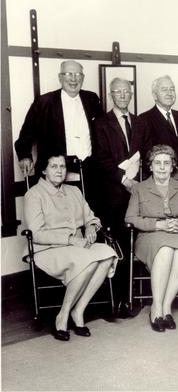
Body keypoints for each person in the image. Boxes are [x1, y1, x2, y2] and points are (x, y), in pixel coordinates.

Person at [23, 155, 117, 341]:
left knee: (107, 254)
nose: (59, 171)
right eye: (53, 166)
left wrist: (91, 226)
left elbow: (91, 217)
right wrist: (70, 239)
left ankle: (78, 310)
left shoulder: (74, 191)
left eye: (62, 167)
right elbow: (36, 233)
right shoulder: (34, 195)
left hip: (78, 246)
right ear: (44, 170)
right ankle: (63, 315)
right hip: (47, 249)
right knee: (88, 261)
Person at [125, 145, 178, 332]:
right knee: (166, 250)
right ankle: (156, 308)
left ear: (172, 166)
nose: (161, 167)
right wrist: (158, 225)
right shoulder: (139, 189)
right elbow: (130, 218)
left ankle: (166, 306)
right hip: (151, 236)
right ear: (150, 166)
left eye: (166, 163)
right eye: (157, 163)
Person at [93, 77, 152, 317]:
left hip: (138, 193)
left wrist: (141, 182)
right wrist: (125, 180)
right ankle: (117, 302)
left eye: (126, 92)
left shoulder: (140, 123)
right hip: (114, 195)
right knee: (118, 248)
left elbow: (147, 153)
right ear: (111, 95)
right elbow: (101, 158)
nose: (123, 95)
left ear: (131, 94)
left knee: (137, 244)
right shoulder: (100, 123)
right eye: (118, 92)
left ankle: (135, 297)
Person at [15, 60, 103, 210]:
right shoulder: (44, 102)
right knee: (58, 214)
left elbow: (102, 130)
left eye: (77, 74)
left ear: (83, 77)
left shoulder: (91, 99)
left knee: (89, 212)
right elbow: (26, 134)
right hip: (57, 170)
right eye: (68, 74)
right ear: (60, 77)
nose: (73, 79)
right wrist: (25, 155)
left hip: (89, 169)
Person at [140, 75, 178, 182]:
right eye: (164, 90)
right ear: (154, 95)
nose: (169, 93)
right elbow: (147, 154)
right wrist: (175, 171)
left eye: (172, 89)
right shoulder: (144, 119)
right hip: (160, 180)